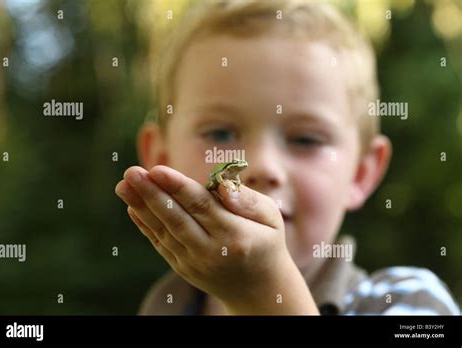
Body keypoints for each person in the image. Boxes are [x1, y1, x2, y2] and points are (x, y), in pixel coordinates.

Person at [115, 0, 460, 315]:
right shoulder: (164, 305)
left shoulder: (410, 299)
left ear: (360, 173)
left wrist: (263, 293)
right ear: (160, 157)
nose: (262, 165)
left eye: (305, 139)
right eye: (220, 134)